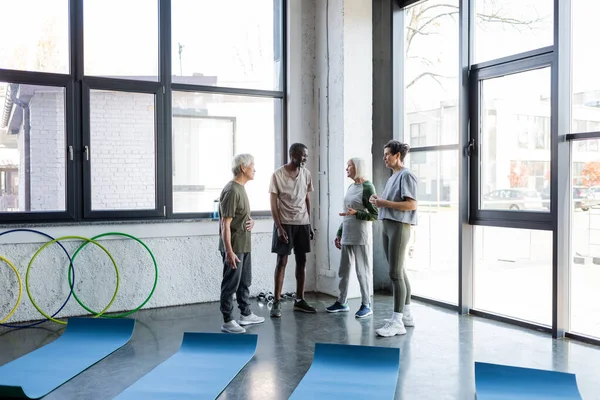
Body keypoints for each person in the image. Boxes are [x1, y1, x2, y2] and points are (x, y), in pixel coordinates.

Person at [369, 140, 418, 337]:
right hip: (388, 224)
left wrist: (385, 202)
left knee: (395, 274)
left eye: (388, 154)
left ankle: (397, 321)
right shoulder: (394, 177)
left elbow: (411, 205)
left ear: (398, 155)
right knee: (398, 271)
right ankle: (406, 314)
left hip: (399, 226)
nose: (385, 158)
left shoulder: (407, 175)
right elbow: (391, 203)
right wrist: (379, 202)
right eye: (384, 154)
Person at [219, 154, 265, 333]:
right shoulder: (231, 190)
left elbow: (239, 217)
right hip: (234, 247)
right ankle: (227, 320)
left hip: (244, 245)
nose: (255, 169)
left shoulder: (241, 188)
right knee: (230, 284)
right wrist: (229, 252)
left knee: (245, 281)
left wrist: (250, 221)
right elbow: (225, 224)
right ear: (243, 168)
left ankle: (245, 314)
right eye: (252, 165)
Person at [326, 157, 378, 318]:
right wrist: (339, 233)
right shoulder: (350, 187)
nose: (346, 168)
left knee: (362, 271)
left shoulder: (368, 187)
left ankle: (366, 305)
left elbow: (375, 215)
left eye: (349, 166)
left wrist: (357, 213)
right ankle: (342, 302)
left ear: (358, 168)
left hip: (361, 236)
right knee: (344, 270)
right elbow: (346, 213)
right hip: (347, 234)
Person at [269, 143, 316, 317]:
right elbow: (273, 205)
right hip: (285, 224)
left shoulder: (306, 174)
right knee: (281, 262)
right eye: (302, 155)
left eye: (306, 156)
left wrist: (309, 224)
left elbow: (306, 199)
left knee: (302, 261)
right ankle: (276, 301)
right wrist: (279, 227)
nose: (305, 158)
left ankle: (300, 300)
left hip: (302, 223)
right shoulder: (277, 175)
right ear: (292, 154)